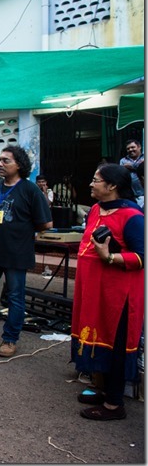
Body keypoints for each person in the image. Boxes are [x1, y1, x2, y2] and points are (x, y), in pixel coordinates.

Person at [71, 163, 144, 421]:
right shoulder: (94, 209)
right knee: (96, 336)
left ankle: (114, 405)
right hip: (94, 291)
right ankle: (102, 389)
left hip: (118, 296)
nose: (91, 184)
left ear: (112, 186)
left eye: (96, 180)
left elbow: (141, 256)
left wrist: (109, 256)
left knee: (116, 343)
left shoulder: (133, 216)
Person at [0, 146, 53, 357]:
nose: (0, 164)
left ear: (19, 165)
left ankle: (9, 340)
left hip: (17, 254)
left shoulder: (30, 190)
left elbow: (46, 223)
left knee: (16, 297)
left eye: (5, 160)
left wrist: (21, 231)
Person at [119, 139, 144, 208]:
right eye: (128, 149)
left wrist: (132, 168)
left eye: (133, 147)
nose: (130, 150)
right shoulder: (123, 161)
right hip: (132, 196)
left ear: (139, 147)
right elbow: (121, 175)